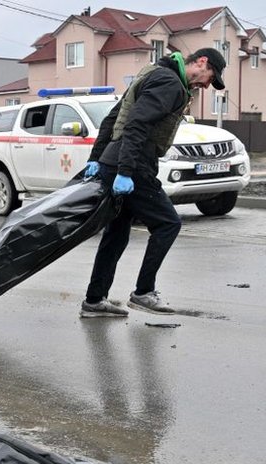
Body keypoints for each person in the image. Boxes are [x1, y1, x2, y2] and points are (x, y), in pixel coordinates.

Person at [80, 48, 226, 317]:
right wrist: (125, 171)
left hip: (117, 160)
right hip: (133, 164)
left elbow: (113, 117)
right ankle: (144, 292)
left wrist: (98, 158)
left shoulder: (152, 73)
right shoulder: (169, 83)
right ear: (201, 62)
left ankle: (94, 300)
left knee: (117, 234)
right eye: (211, 77)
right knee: (168, 224)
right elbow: (136, 124)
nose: (207, 85)